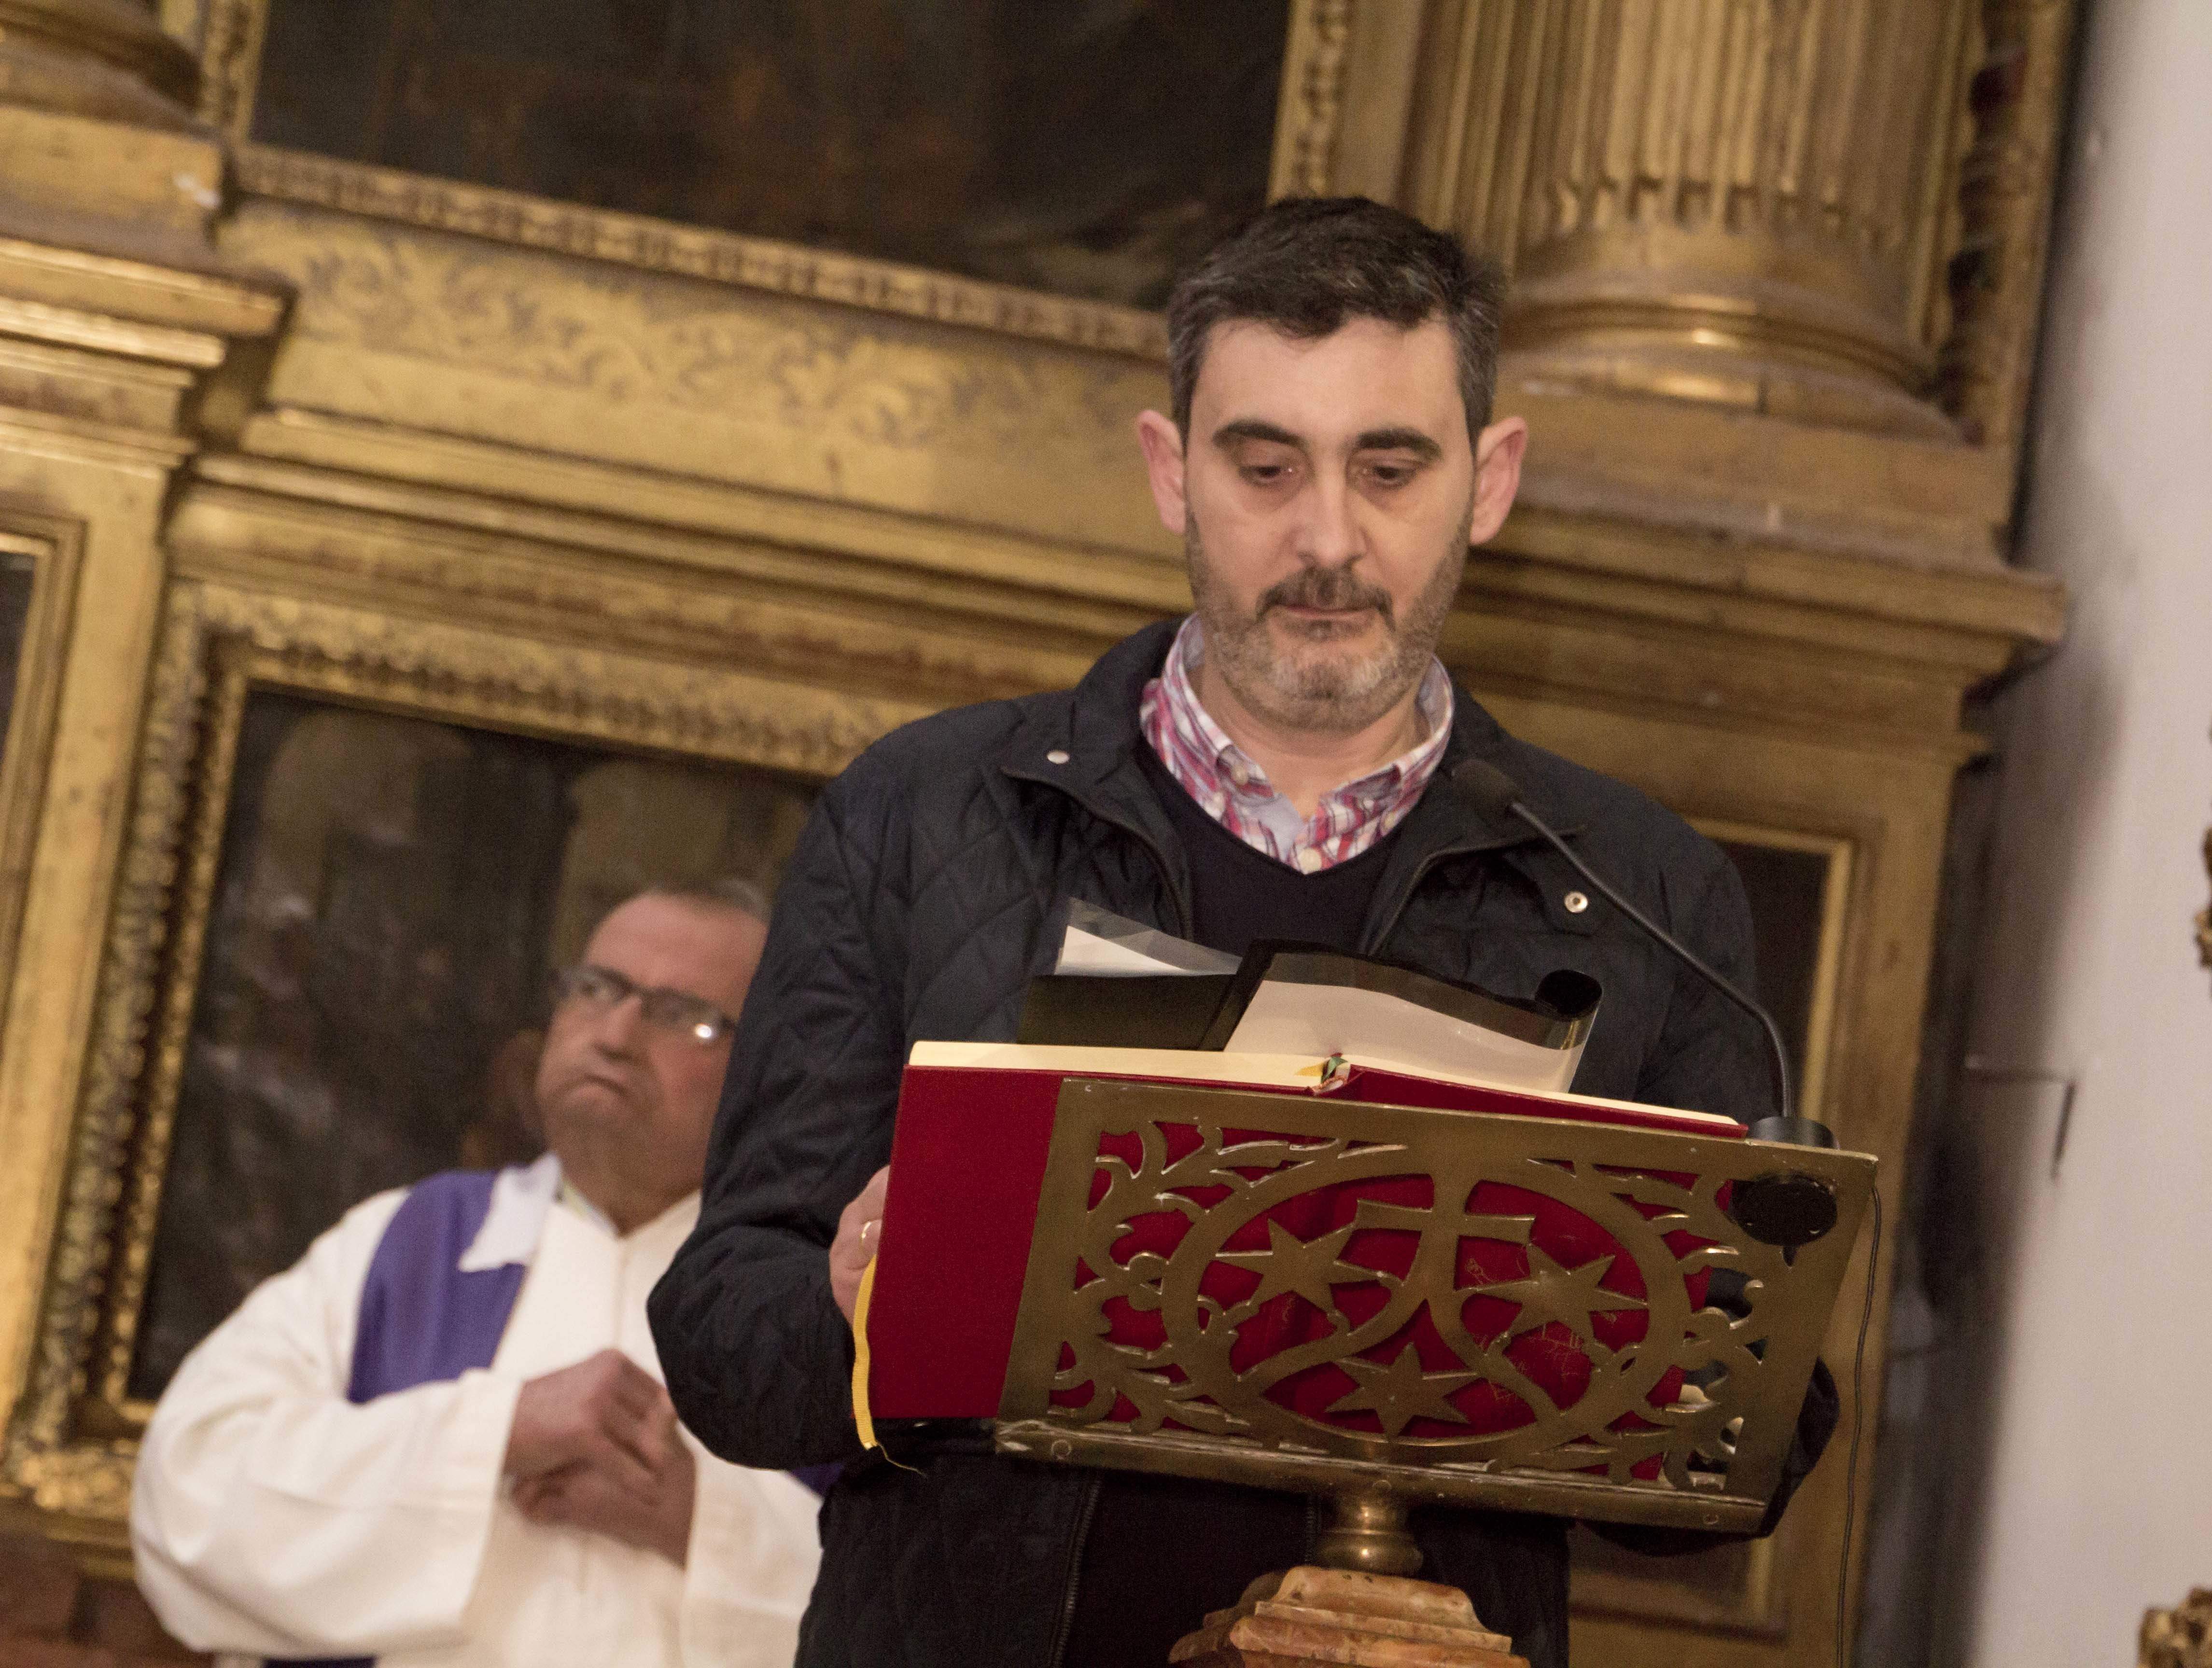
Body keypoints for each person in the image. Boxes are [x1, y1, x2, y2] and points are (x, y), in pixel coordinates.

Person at [649, 198, 1834, 1668]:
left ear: (1492, 479)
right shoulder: (924, 813)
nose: (1327, 539)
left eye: (1390, 469)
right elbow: (719, 1329)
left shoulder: (1651, 893)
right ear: (1170, 471)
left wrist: (1702, 1355)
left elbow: (1738, 1471)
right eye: (1265, 467)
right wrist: (848, 1312)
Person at [132, 883, 822, 1668]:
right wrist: (496, 1432)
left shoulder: (814, 1293)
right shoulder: (410, 1244)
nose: (617, 1035)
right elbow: (187, 1497)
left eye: (682, 1016)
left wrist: (704, 1527)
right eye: (597, 990)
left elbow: (945, 1619)